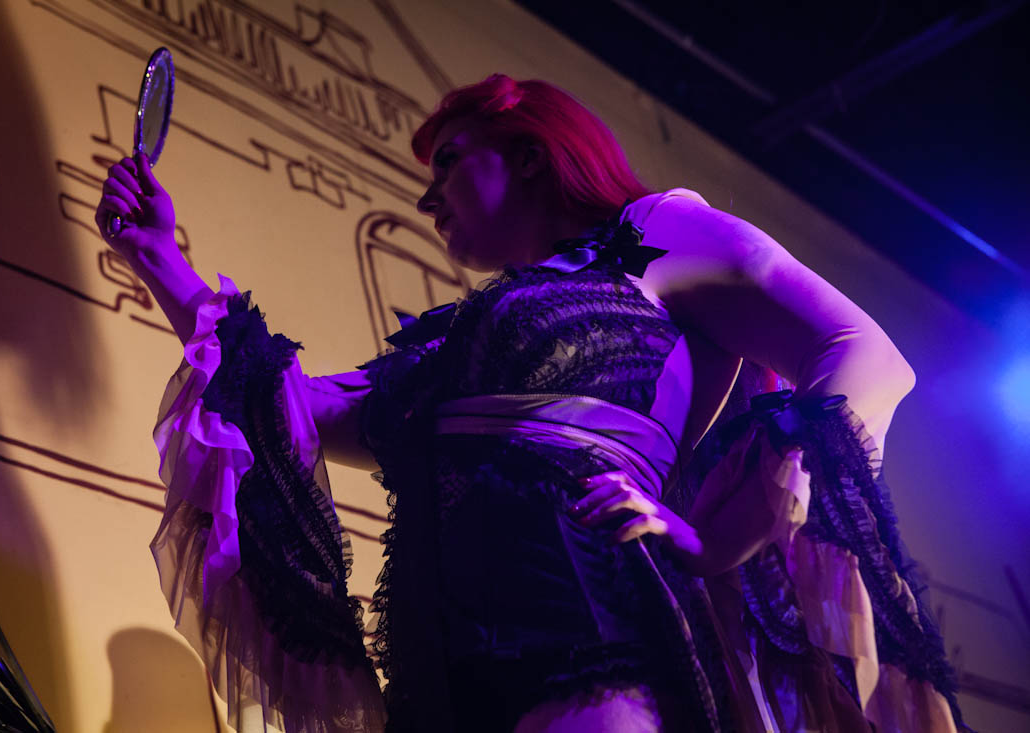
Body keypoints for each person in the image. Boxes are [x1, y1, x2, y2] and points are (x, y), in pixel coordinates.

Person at [96, 74, 968, 732]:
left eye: (448, 159)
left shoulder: (653, 234)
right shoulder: (446, 348)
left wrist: (720, 537)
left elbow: (866, 357)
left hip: (597, 640)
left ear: (528, 153)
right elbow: (296, 411)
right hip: (446, 680)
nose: (427, 196)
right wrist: (160, 258)